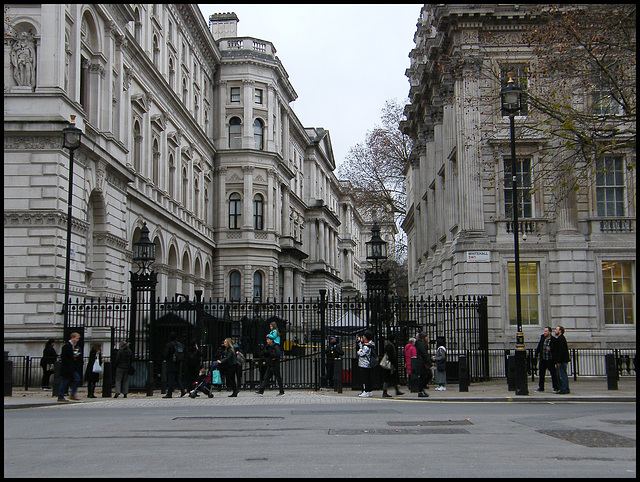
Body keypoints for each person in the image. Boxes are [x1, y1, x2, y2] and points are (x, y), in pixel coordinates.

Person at [58, 332, 82, 402]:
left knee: (76, 378)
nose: (78, 340)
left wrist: (73, 356)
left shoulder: (72, 346)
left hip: (71, 367)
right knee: (64, 381)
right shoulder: (67, 345)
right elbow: (64, 356)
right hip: (67, 367)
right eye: (77, 338)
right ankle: (60, 396)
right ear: (73, 338)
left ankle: (72, 394)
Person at [163, 332, 187, 398]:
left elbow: (166, 354)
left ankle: (169, 393)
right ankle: (182, 390)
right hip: (178, 363)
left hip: (171, 363)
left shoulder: (169, 345)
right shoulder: (179, 344)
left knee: (171, 379)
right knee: (177, 378)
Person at [534, 326, 558, 392]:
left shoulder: (553, 340)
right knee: (541, 374)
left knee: (553, 374)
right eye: (544, 331)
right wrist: (536, 354)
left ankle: (555, 387)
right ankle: (541, 387)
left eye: (546, 331)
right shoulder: (542, 338)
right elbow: (539, 347)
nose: (545, 332)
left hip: (550, 359)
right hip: (543, 359)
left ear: (550, 332)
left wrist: (550, 349)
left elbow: (555, 349)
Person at [356, 330, 376, 398]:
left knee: (364, 378)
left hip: (364, 364)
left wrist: (358, 351)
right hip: (369, 364)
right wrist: (360, 343)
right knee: (369, 378)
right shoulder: (370, 344)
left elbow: (361, 353)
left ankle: (365, 391)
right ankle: (369, 391)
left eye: (364, 336)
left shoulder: (366, 346)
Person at [554, 326, 571, 394]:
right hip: (563, 360)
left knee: (562, 375)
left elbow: (561, 351)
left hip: (562, 361)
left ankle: (564, 389)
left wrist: (559, 361)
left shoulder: (561, 339)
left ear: (560, 331)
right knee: (563, 375)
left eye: (556, 329)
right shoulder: (561, 338)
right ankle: (565, 388)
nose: (555, 331)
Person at [414, 332, 432, 397]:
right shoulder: (421, 345)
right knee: (425, 376)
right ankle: (421, 391)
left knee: (425, 376)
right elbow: (424, 355)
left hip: (421, 363)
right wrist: (429, 364)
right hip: (422, 364)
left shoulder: (420, 344)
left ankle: (421, 390)